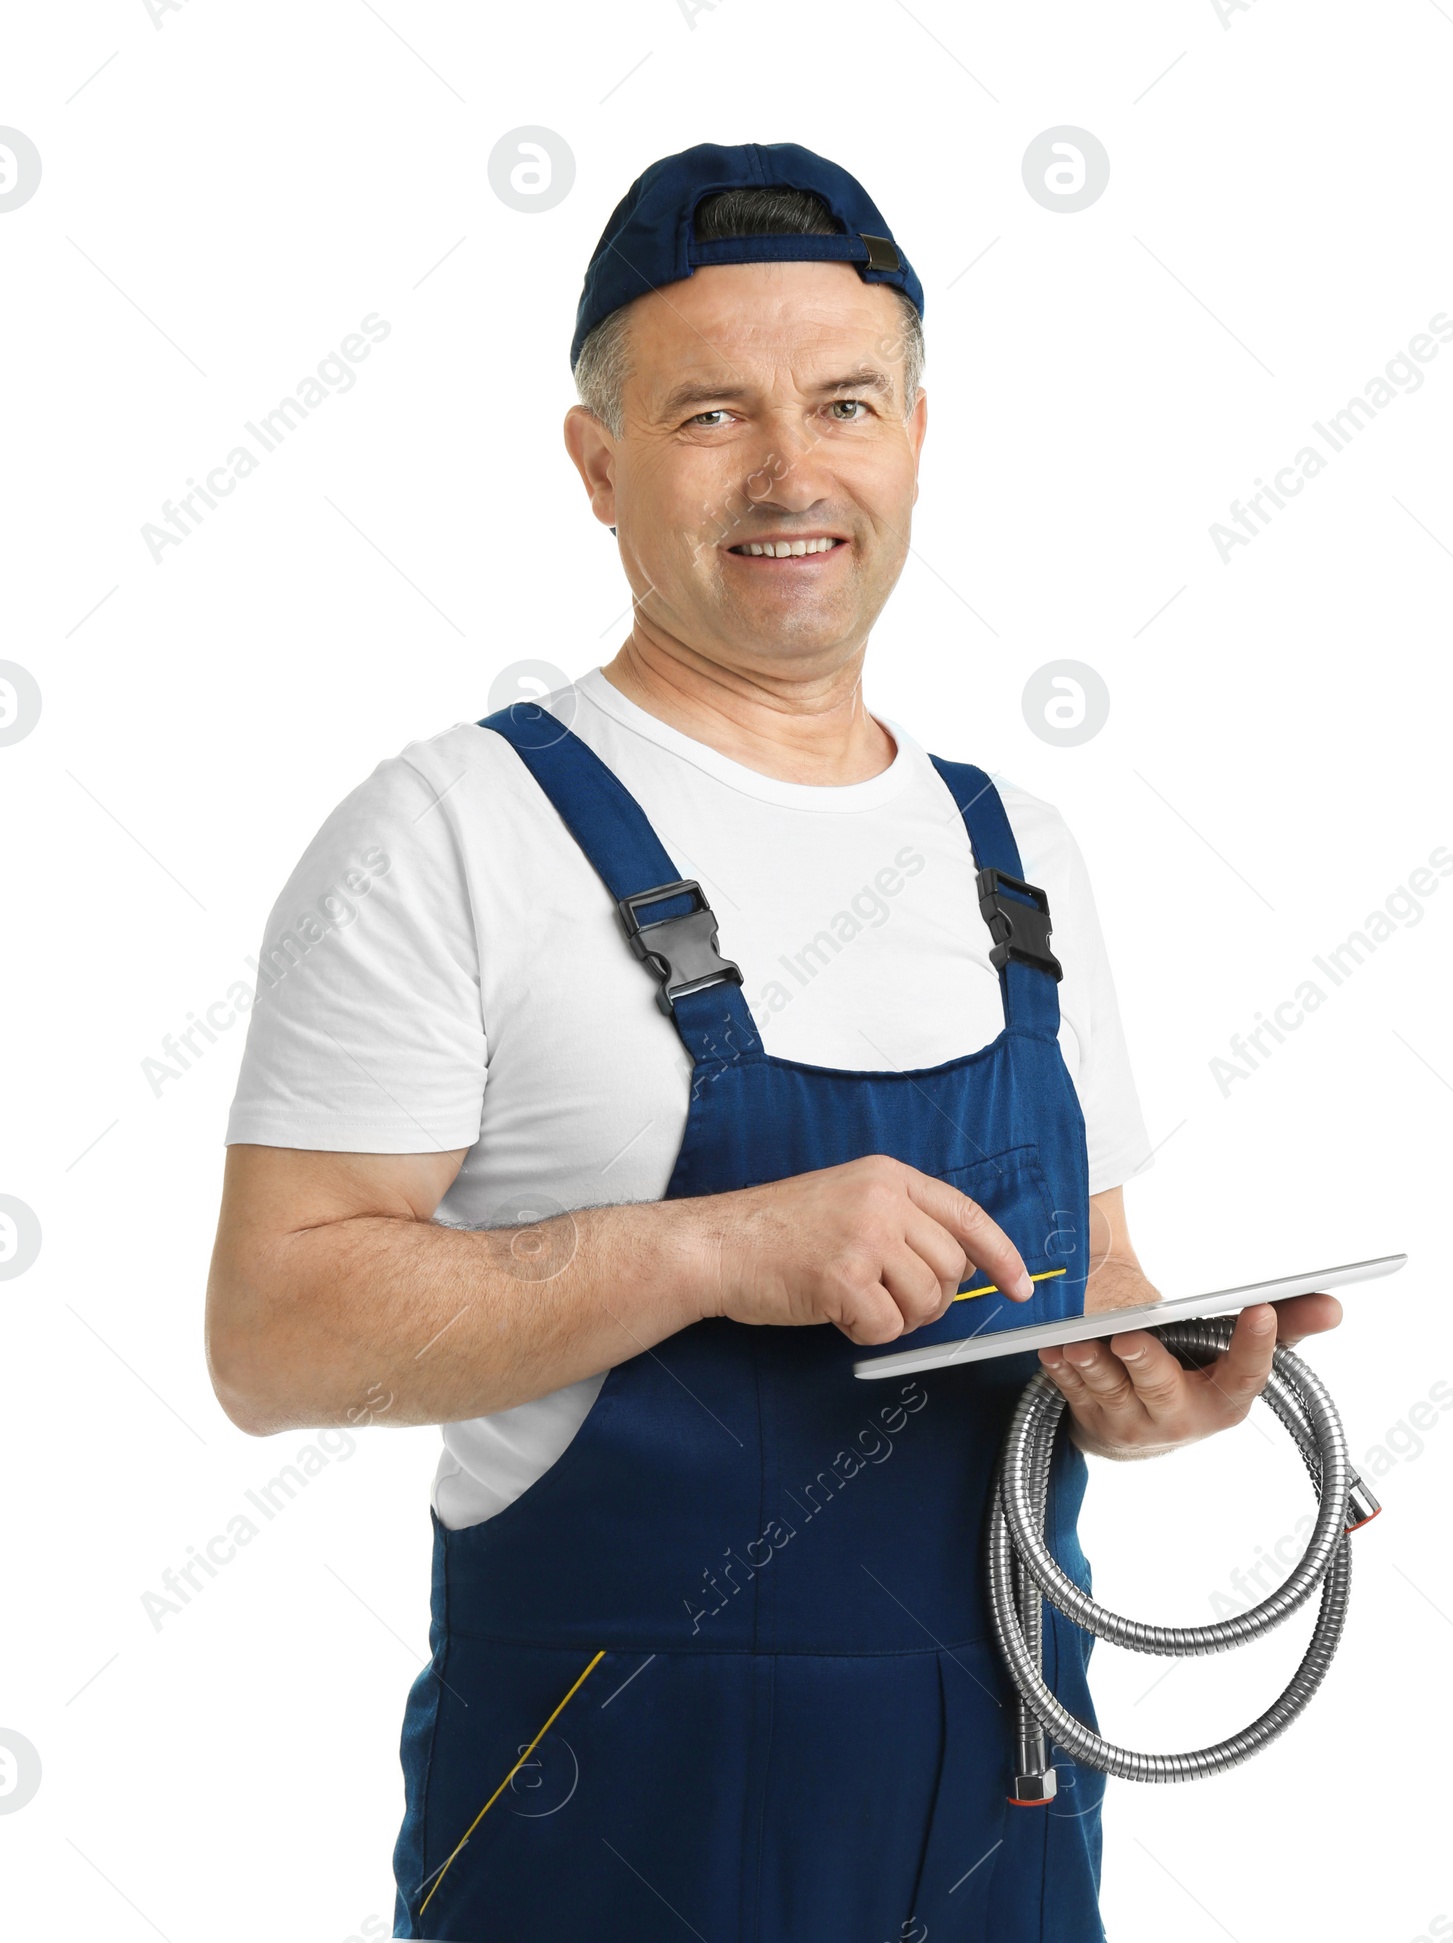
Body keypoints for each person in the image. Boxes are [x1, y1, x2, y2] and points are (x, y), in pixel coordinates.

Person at [207, 140, 1340, 1942]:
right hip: (599, 1856)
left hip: (1005, 1838)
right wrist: (719, 1248)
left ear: (913, 434)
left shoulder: (1017, 857)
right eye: (714, 414)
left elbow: (1094, 1277)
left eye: (846, 404)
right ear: (597, 464)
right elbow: (274, 1345)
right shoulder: (452, 833)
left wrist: (1148, 1391)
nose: (794, 473)